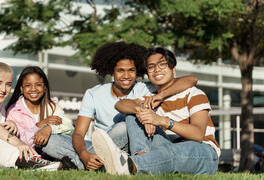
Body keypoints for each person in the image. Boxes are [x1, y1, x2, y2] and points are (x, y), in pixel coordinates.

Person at [41, 42, 198, 170]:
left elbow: (191, 80)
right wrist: (83, 154)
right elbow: (79, 133)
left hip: (133, 146)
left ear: (137, 72)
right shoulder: (94, 93)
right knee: (50, 141)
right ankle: (93, 162)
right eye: (120, 71)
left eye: (131, 70)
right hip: (100, 145)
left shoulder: (145, 88)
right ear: (112, 71)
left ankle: (79, 163)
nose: (126, 76)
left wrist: (159, 96)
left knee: (124, 125)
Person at [92, 47, 220, 175]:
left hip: (201, 151)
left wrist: (160, 120)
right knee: (132, 115)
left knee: (172, 152)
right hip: (166, 149)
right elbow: (120, 104)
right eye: (151, 67)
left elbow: (198, 134)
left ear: (173, 68)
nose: (157, 69)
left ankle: (130, 165)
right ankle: (142, 160)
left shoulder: (194, 94)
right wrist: (141, 112)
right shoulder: (150, 99)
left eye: (162, 64)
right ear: (148, 73)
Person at [5, 66, 74, 150]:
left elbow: (69, 128)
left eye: (38, 85)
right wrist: (40, 125)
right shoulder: (14, 111)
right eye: (28, 85)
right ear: (21, 88)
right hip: (29, 156)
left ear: (44, 87)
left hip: (55, 153)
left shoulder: (52, 105)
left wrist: (49, 128)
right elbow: (23, 141)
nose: (33, 89)